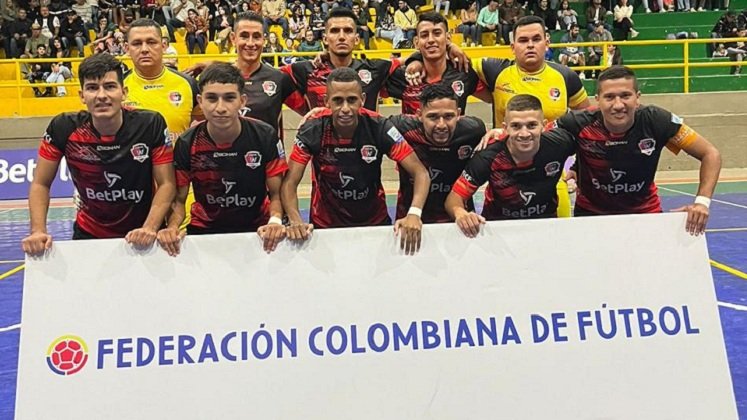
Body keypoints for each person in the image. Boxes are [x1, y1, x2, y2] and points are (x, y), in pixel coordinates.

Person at [21, 54, 176, 255]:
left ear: (124, 92)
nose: (101, 95)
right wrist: (38, 231)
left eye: (110, 86)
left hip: (144, 233)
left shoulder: (150, 125)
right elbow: (41, 183)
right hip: (89, 234)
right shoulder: (63, 128)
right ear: (81, 95)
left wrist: (150, 227)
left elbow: (167, 183)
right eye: (92, 88)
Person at [280, 67, 430, 254]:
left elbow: (420, 172)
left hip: (375, 224)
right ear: (327, 101)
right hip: (325, 226)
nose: (345, 108)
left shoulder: (380, 127)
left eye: (352, 100)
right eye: (337, 100)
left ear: (363, 100)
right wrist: (295, 219)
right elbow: (289, 182)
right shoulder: (312, 131)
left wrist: (414, 213)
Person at [558, 66, 721, 235]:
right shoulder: (577, 123)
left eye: (625, 95)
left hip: (645, 214)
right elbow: (540, 143)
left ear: (637, 98)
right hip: (591, 216)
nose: (618, 105)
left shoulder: (656, 120)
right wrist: (575, 166)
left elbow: (710, 154)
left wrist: (702, 202)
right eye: (609, 97)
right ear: (597, 100)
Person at [157, 63, 287, 255]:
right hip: (205, 229)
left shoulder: (264, 135)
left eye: (229, 98)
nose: (220, 108)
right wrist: (173, 227)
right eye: (211, 98)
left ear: (242, 101)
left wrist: (274, 221)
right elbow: (178, 200)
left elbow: (276, 194)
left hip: (258, 229)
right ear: (200, 101)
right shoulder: (187, 142)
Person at [445, 94, 576, 236]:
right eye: (516, 126)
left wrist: (576, 168)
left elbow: (587, 145)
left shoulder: (560, 144)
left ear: (544, 125)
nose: (524, 133)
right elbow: (454, 198)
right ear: (505, 128)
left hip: (545, 226)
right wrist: (460, 213)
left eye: (532, 125)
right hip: (498, 230)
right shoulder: (488, 156)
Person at [123, 18, 201, 226]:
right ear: (126, 48)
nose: (145, 49)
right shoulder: (117, 87)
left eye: (152, 42)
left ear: (164, 45)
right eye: (137, 43)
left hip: (181, 185)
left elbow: (206, 125)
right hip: (135, 187)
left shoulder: (187, 84)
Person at [391, 83, 486, 223]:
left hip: (459, 219)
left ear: (459, 114)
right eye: (433, 117)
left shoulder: (474, 131)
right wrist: (415, 60)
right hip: (410, 219)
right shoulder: (400, 127)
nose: (441, 125)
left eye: (448, 116)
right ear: (419, 115)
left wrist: (499, 133)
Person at [387, 12, 485, 115]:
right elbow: (373, 70)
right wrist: (412, 59)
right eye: (424, 35)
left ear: (448, 38)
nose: (431, 40)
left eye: (437, 33)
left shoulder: (463, 72)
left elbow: (492, 96)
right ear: (416, 42)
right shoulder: (407, 75)